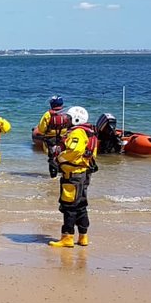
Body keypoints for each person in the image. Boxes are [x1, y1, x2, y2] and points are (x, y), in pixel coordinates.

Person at [49, 106, 97, 248]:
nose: (66, 120)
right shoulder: (88, 132)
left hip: (73, 175)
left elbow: (75, 150)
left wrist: (59, 159)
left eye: (68, 118)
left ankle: (67, 237)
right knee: (81, 204)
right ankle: (83, 236)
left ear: (76, 119)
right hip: (83, 173)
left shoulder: (77, 133)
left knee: (69, 206)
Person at [36, 95, 71, 178]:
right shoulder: (67, 113)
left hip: (50, 139)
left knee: (52, 157)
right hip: (64, 138)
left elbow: (41, 129)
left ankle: (53, 176)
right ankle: (65, 173)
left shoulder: (48, 114)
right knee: (63, 155)